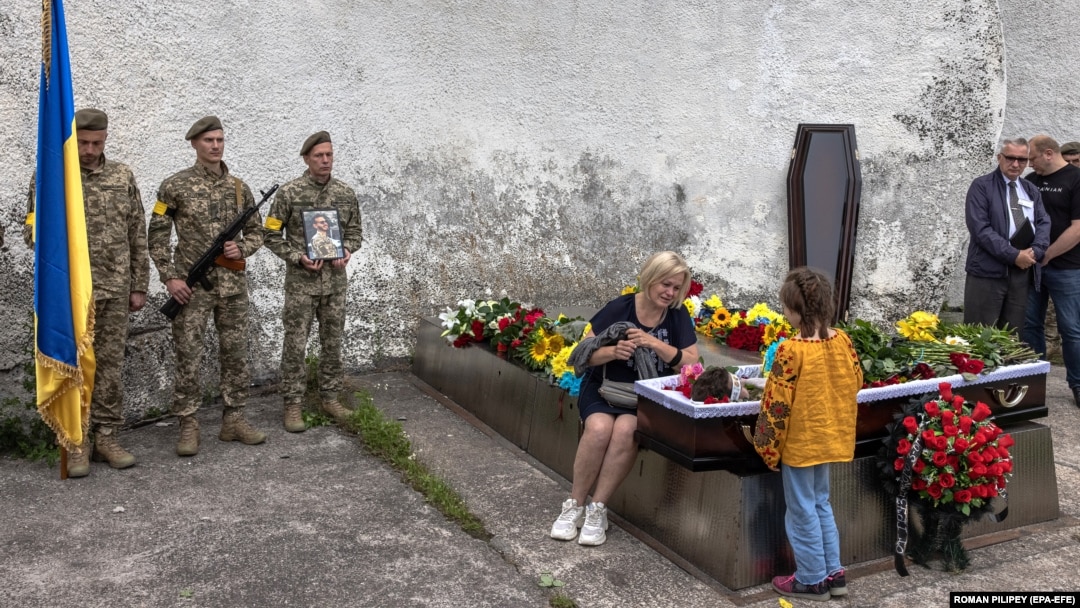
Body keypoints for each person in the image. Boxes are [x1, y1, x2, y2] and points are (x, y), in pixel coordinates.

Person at [23, 108, 149, 477]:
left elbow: (136, 233)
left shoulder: (122, 175)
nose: (90, 149)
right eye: (83, 142)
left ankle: (107, 436)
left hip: (115, 287)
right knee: (73, 365)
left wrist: (139, 284)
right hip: (71, 296)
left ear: (106, 138)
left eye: (96, 142)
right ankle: (75, 441)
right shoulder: (52, 177)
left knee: (110, 367)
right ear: (71, 139)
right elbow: (32, 232)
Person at [550, 251, 699, 546]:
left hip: (645, 397)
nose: (670, 293)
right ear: (650, 279)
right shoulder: (621, 307)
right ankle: (574, 505)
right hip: (604, 386)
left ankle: (598, 509)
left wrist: (654, 344)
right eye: (665, 285)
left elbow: (692, 364)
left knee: (626, 432)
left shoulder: (678, 316)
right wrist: (612, 352)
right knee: (599, 429)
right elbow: (582, 353)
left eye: (676, 288)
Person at [147, 115, 266, 456]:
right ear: (194, 144)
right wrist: (170, 277)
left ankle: (234, 420)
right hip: (191, 287)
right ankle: (188, 424)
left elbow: (259, 232)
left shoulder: (240, 189)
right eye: (208, 141)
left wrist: (240, 248)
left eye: (220, 140)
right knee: (188, 355)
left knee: (236, 354)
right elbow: (157, 234)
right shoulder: (174, 186)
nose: (215, 146)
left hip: (232, 286)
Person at [753, 267, 862, 602]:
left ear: (796, 311)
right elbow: (856, 379)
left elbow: (777, 406)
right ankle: (834, 572)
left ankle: (812, 579)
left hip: (800, 444)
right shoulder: (842, 340)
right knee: (821, 504)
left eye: (785, 307)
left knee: (801, 510)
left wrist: (767, 448)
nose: (784, 312)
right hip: (831, 438)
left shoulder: (791, 350)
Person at [264, 131, 362, 431]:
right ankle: (293, 404)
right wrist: (297, 256)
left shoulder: (345, 194)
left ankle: (330, 397)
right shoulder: (289, 194)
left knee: (332, 343)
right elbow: (269, 234)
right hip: (301, 285)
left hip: (335, 284)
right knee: (295, 345)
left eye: (329, 154)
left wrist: (347, 249)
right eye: (319, 155)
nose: (325, 160)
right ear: (307, 158)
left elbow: (355, 232)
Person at [962, 137, 1050, 332]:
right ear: (999, 157)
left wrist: (1035, 251)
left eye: (1022, 159)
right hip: (987, 272)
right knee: (978, 333)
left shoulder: (1030, 189)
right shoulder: (981, 186)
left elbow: (1043, 222)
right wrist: (1013, 255)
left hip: (1020, 274)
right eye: (1010, 158)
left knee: (1011, 336)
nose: (1016, 164)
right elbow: (980, 229)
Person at [1022, 135, 1080, 405]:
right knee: (1030, 326)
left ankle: (1077, 384)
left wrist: (1048, 254)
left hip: (1067, 268)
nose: (1029, 165)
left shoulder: (1075, 179)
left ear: (1048, 153)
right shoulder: (1031, 182)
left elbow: (1077, 228)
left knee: (1072, 330)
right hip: (1032, 267)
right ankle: (1033, 385)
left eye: (1032, 159)